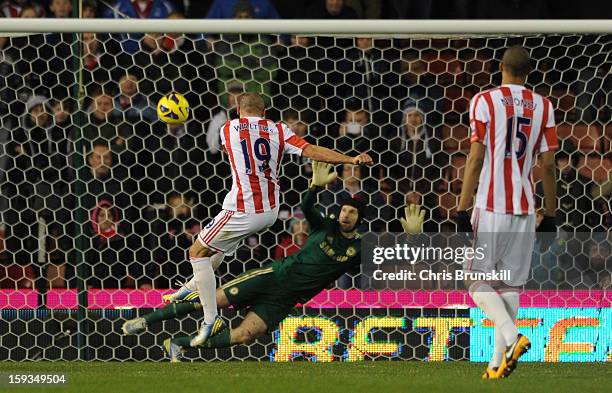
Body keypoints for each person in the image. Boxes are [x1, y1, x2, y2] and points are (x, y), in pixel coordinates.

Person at [121, 162, 424, 362]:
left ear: (359, 220)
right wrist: (315, 187)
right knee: (209, 301)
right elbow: (306, 206)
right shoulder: (325, 226)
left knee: (243, 335)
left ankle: (180, 344)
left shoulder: (358, 249)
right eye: (344, 210)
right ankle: (144, 321)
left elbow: (387, 261)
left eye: (352, 213)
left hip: (286, 299)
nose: (345, 215)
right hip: (272, 276)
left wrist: (409, 239)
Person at [162, 92, 373, 348]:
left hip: (244, 207)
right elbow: (310, 150)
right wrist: (349, 159)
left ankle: (210, 320)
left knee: (196, 252)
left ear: (239, 110)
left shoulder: (228, 129)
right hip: (269, 210)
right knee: (214, 248)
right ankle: (191, 286)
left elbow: (230, 148)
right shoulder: (278, 129)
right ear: (264, 112)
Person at [456, 46, 558, 379]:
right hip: (526, 208)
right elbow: (548, 165)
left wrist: (460, 207)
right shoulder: (544, 106)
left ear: (501, 67)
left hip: (490, 205)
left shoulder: (484, 101)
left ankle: (514, 338)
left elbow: (474, 158)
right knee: (509, 286)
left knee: (475, 279)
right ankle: (495, 364)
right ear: (529, 71)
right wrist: (552, 214)